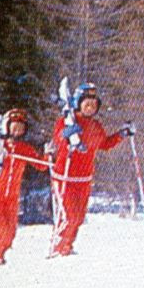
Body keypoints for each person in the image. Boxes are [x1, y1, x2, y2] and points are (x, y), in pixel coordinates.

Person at [48, 82, 129, 257]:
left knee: (78, 218)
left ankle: (67, 247)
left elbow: (104, 144)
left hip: (84, 179)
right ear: (78, 103)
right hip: (65, 177)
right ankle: (58, 246)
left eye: (94, 105)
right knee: (69, 216)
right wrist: (67, 135)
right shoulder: (66, 122)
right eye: (87, 103)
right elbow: (58, 139)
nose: (91, 107)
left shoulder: (96, 126)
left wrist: (122, 134)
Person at [0, 108, 47, 266]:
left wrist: (49, 154)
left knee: (11, 234)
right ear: (6, 127)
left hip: (12, 198)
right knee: (2, 231)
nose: (18, 131)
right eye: (14, 127)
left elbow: (41, 165)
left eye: (21, 128)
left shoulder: (24, 149)